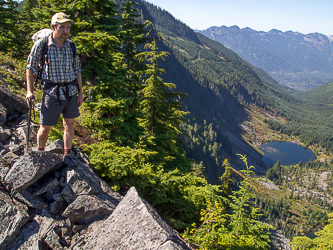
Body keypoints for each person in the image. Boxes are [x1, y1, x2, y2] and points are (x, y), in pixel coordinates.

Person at [26, 12, 83, 163]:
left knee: (69, 124)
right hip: (51, 93)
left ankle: (67, 156)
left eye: (68, 27)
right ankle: (40, 155)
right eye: (62, 27)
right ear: (53, 27)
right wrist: (29, 91)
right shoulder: (42, 45)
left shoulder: (71, 46)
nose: (66, 31)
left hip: (70, 91)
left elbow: (77, 70)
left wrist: (80, 93)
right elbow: (30, 68)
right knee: (45, 127)